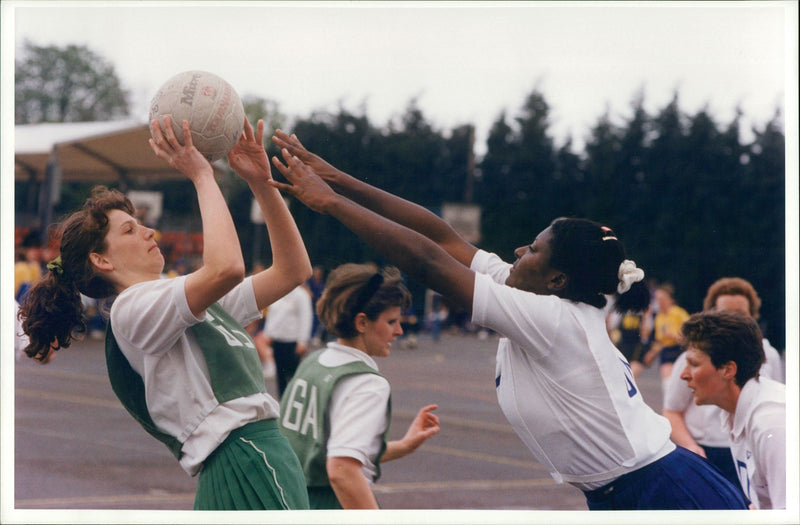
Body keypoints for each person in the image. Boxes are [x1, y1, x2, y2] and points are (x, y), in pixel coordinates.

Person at [266, 131, 748, 510]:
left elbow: (431, 262)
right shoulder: (537, 291)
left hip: (661, 491)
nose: (518, 252)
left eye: (533, 249)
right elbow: (441, 235)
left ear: (557, 278)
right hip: (631, 489)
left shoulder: (552, 317)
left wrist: (330, 204)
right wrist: (338, 179)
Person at [18, 117, 311, 510]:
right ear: (100, 259)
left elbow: (293, 271)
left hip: (245, 458)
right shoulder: (131, 308)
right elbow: (226, 268)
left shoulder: (182, 301)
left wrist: (261, 183)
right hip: (245, 457)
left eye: (141, 224)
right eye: (129, 230)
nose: (148, 232)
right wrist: (203, 175)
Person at [278, 263, 440, 509]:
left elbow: (323, 452)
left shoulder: (314, 362)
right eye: (391, 321)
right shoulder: (367, 384)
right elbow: (341, 468)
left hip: (290, 500)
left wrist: (404, 446)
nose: (399, 331)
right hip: (331, 503)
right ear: (362, 322)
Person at [662, 277, 783, 493]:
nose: (684, 375)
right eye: (724, 314)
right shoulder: (732, 416)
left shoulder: (768, 424)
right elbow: (671, 409)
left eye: (740, 315)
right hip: (707, 451)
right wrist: (690, 446)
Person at [680, 310, 785, 509]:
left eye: (694, 364)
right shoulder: (735, 409)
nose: (684, 375)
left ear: (728, 370)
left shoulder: (772, 425)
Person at [263, 283, 314, 397]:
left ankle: (295, 403)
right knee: (280, 376)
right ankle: (282, 403)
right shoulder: (277, 293)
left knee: (293, 376)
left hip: (293, 341)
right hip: (277, 340)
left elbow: (306, 317)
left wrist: (303, 341)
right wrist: (268, 333)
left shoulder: (301, 295)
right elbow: (272, 315)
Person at [646, 283, 689, 387]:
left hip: (680, 349)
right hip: (667, 351)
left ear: (670, 299)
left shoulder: (679, 313)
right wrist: (652, 353)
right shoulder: (658, 318)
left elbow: (690, 335)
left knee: (681, 382)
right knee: (667, 382)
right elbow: (660, 341)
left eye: (662, 298)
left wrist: (675, 336)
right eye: (657, 299)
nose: (660, 301)